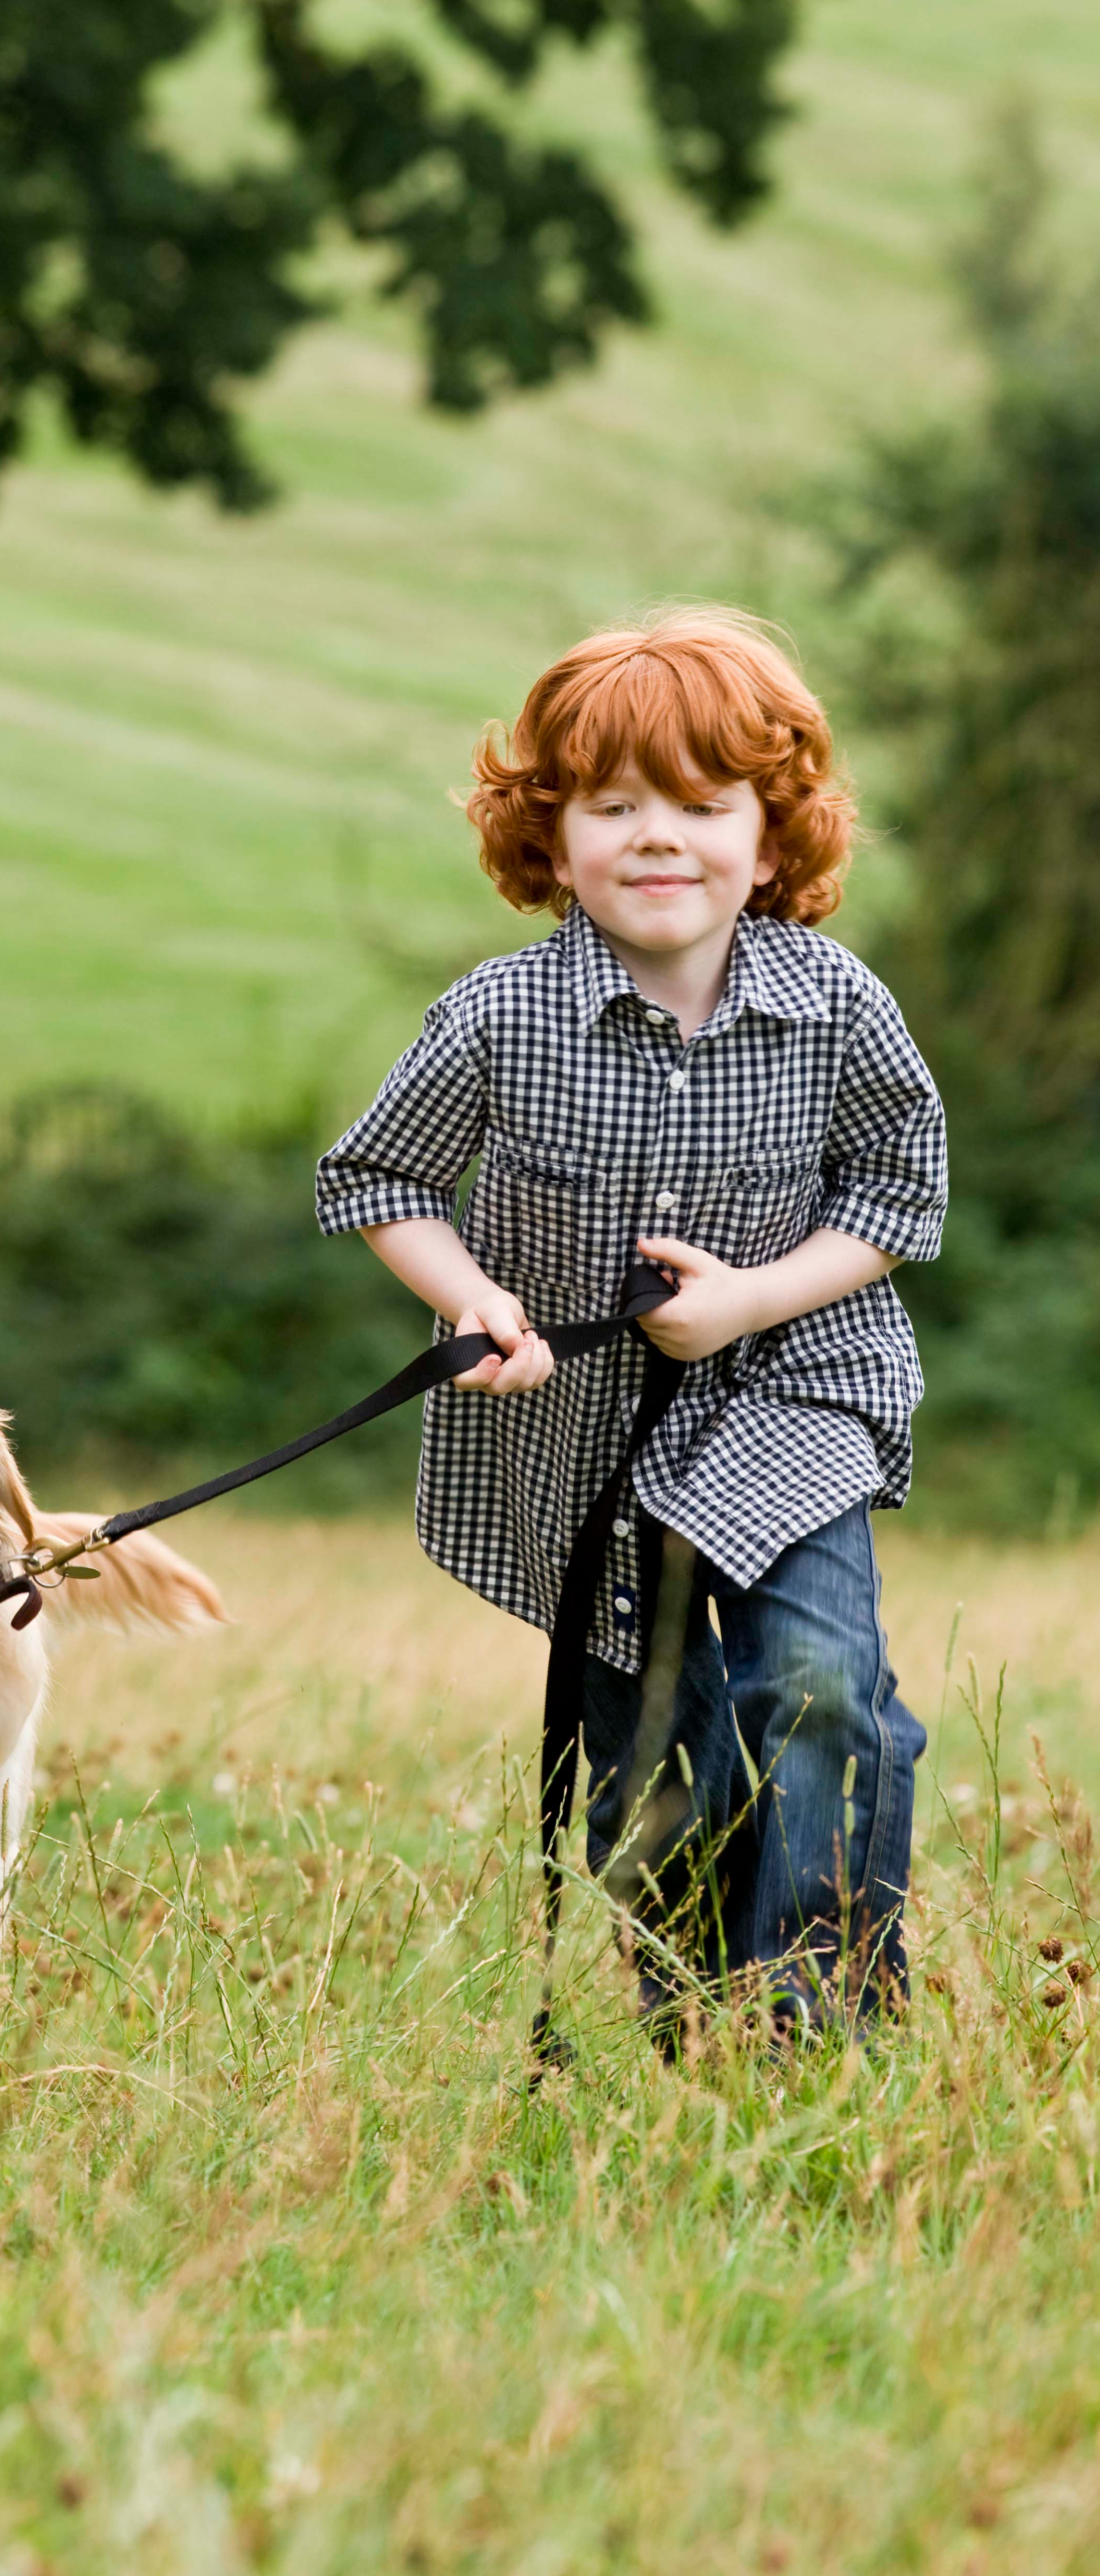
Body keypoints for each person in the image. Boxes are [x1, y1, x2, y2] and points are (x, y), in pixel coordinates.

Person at [316, 608, 947, 2036]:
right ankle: (699, 2019)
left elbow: (902, 1194)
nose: (660, 838)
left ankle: (817, 2021)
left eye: (703, 806)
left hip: (798, 1405)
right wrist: (478, 1304)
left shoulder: (839, 1007)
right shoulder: (496, 1019)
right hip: (585, 1436)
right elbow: (379, 1176)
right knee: (654, 1754)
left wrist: (750, 1302)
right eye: (615, 807)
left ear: (774, 842)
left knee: (819, 1686)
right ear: (550, 842)